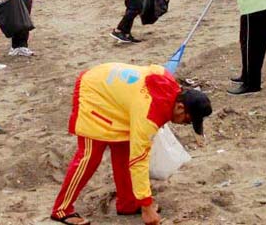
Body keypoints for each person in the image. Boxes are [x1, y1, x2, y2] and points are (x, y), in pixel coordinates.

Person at [51, 62, 212, 225]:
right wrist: (147, 206)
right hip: (93, 90)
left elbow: (155, 69)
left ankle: (128, 203)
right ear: (179, 107)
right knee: (90, 155)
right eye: (187, 120)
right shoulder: (148, 115)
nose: (185, 124)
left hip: (112, 90)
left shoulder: (168, 83)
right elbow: (139, 161)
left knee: (124, 147)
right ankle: (61, 209)